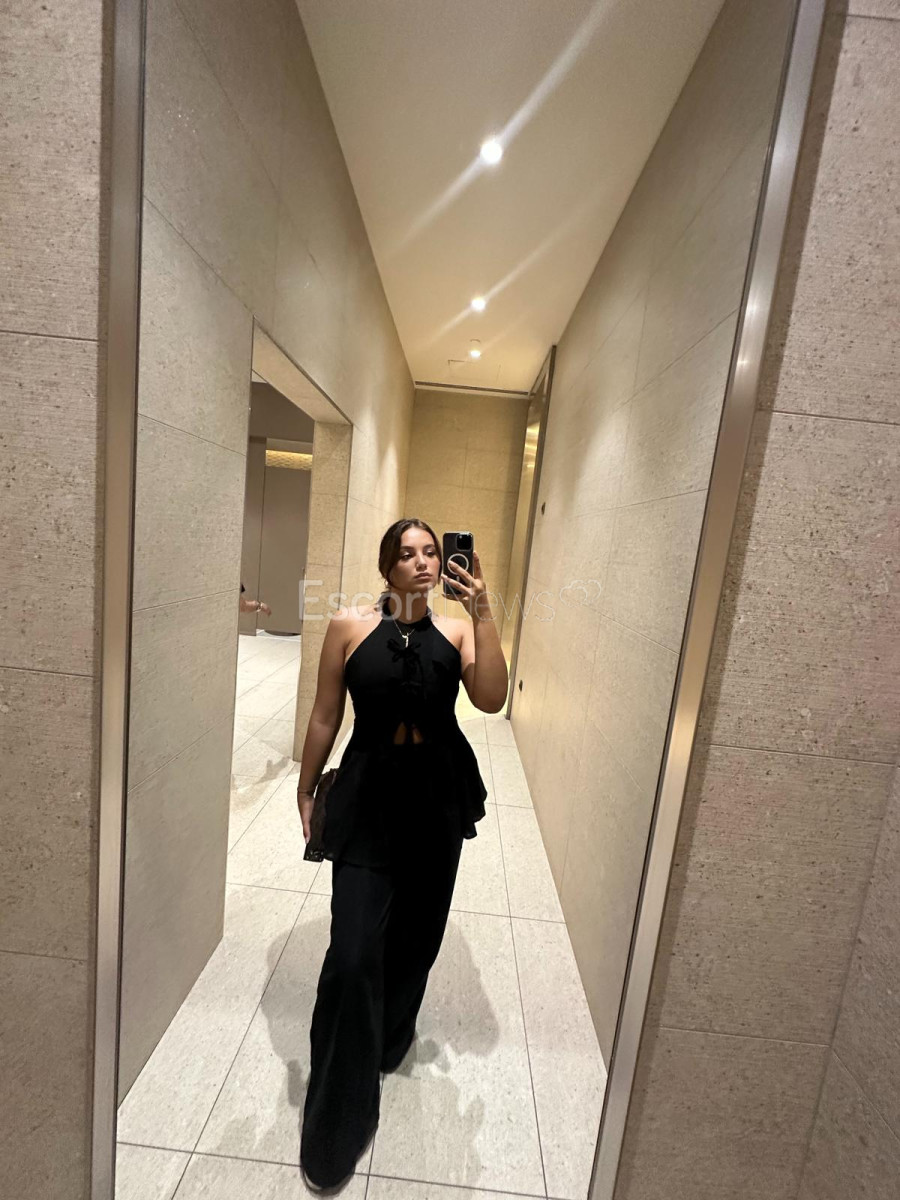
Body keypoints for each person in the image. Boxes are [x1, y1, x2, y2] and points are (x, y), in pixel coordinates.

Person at [295, 518, 509, 1192]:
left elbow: (492, 698)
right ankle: (336, 1122)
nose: (423, 562)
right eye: (407, 553)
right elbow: (326, 714)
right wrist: (305, 787)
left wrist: (483, 607)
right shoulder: (348, 626)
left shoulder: (460, 631)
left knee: (416, 942)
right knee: (353, 954)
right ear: (387, 566)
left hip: (437, 798)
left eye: (432, 552)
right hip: (367, 796)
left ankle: (388, 1040)